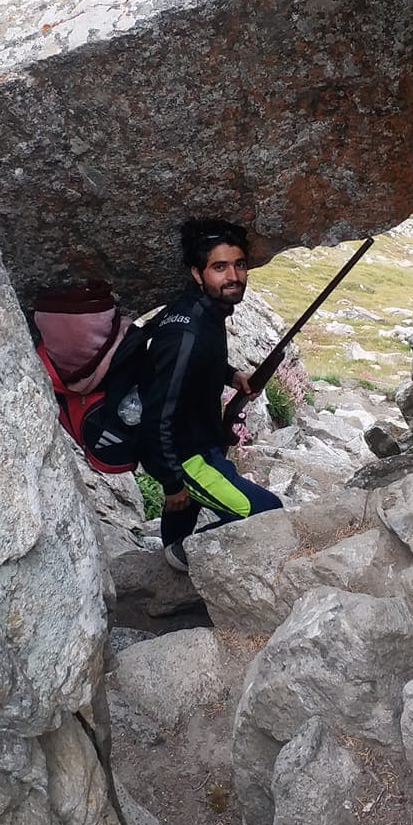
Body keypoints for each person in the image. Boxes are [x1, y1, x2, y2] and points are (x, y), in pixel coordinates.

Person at [138, 218, 283, 572]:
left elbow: (199, 366)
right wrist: (172, 483)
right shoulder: (188, 334)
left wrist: (234, 376)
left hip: (197, 444)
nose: (233, 276)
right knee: (268, 514)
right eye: (219, 267)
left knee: (185, 508)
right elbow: (156, 416)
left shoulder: (200, 312)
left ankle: (172, 556)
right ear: (197, 273)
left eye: (240, 264)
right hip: (187, 458)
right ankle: (187, 555)